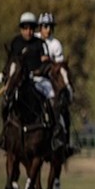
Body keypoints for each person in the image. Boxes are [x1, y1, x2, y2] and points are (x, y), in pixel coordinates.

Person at [0, 12, 64, 150]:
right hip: (20, 80)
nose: (28, 31)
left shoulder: (40, 43)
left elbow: (46, 64)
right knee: (6, 100)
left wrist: (42, 65)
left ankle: (55, 133)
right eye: (25, 28)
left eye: (31, 28)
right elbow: (10, 63)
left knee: (52, 97)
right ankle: (4, 133)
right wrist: (5, 75)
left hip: (38, 79)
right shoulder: (15, 42)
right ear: (21, 29)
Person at [36, 12, 75, 154]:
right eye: (45, 26)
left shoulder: (55, 44)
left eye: (51, 26)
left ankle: (61, 136)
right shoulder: (33, 40)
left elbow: (60, 68)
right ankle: (5, 135)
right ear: (40, 27)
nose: (48, 29)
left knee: (58, 103)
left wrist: (48, 61)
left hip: (48, 81)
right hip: (31, 78)